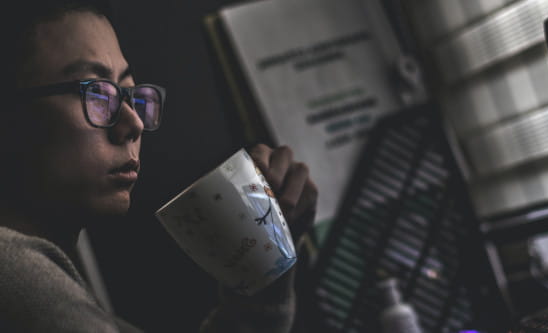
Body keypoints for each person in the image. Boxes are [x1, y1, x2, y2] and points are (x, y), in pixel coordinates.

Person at [0, 0, 317, 332]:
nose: (134, 123)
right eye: (97, 94)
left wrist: (266, 264)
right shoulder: (15, 273)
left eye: (132, 95)